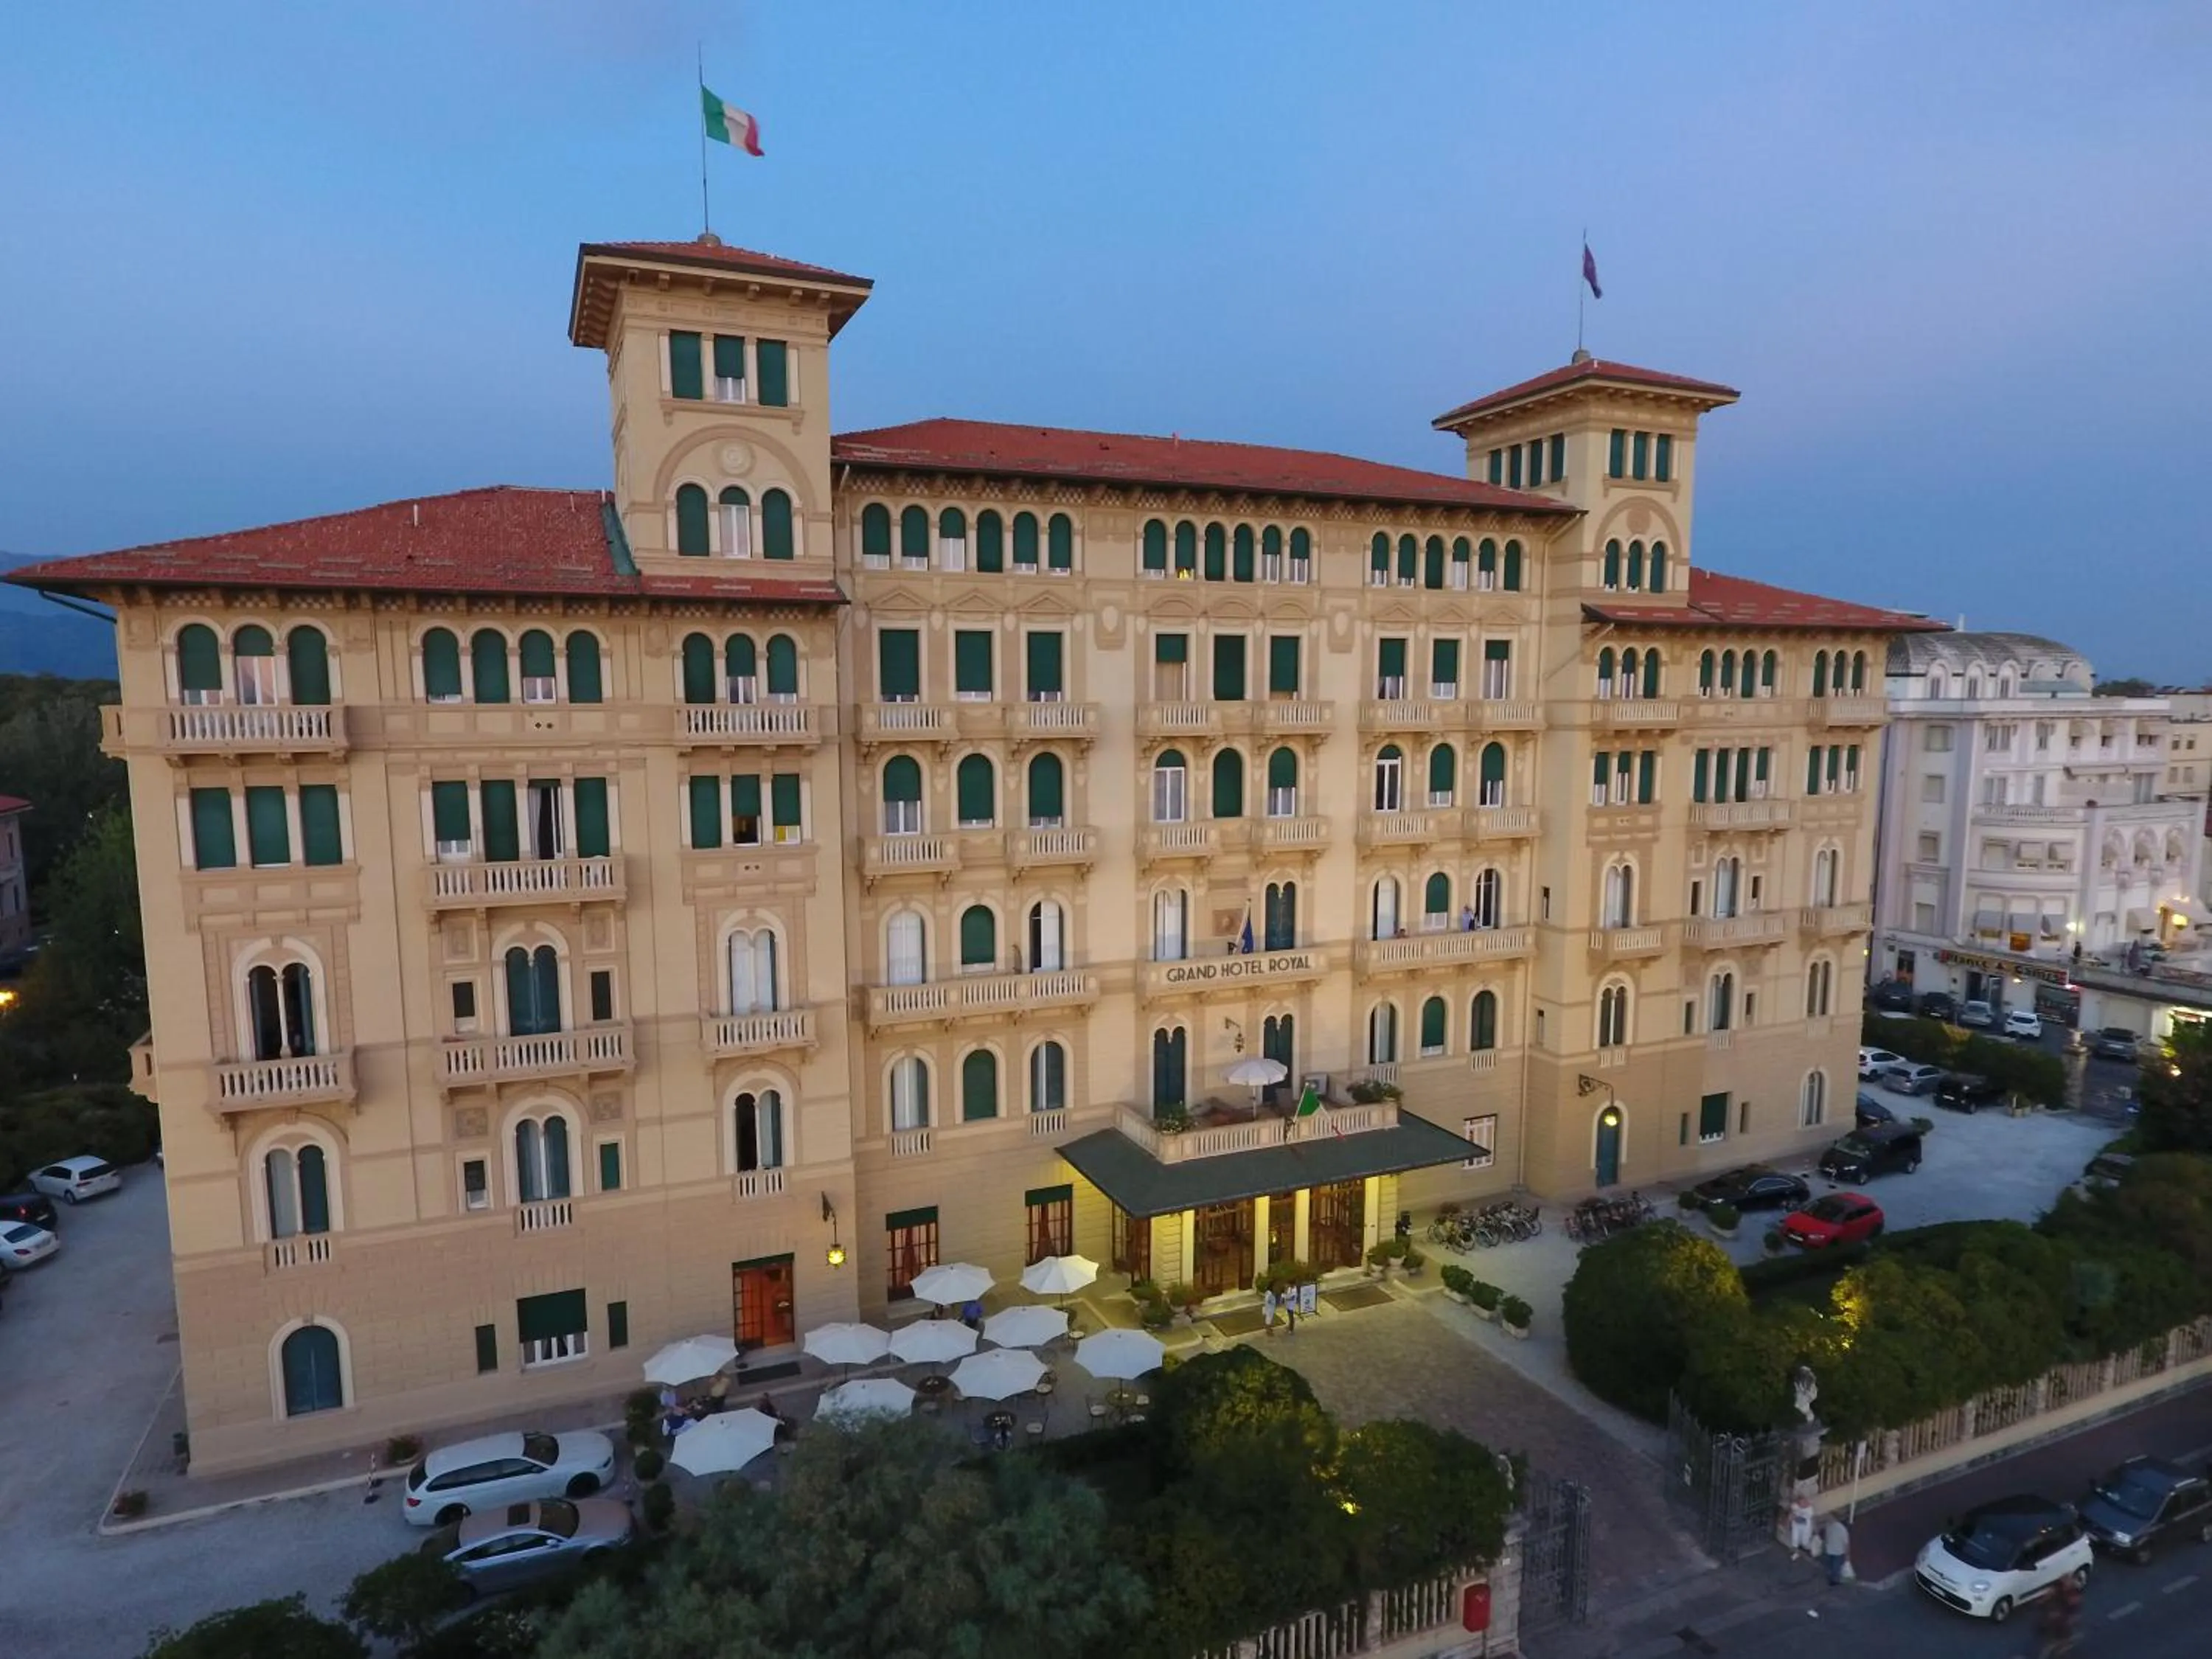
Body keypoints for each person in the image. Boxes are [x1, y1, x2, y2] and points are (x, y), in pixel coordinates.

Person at [1820, 1514, 1851, 1587]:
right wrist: (1847, 1556)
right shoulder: (1842, 1530)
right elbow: (1846, 1544)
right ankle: (1834, 1580)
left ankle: (1831, 1577)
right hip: (1837, 1551)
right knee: (1835, 1567)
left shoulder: (1830, 1526)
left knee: (1832, 1565)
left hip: (1832, 1550)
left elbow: (1827, 1536)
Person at [1786, 1489, 1815, 1559]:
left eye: (1802, 1502)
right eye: (1799, 1502)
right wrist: (1790, 1517)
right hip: (1796, 1526)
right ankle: (1796, 1553)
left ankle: (1811, 1549)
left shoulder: (1809, 1509)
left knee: (1805, 1541)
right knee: (1795, 1540)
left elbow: (1805, 1519)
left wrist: (1795, 1517)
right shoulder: (1795, 1506)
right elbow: (1791, 1513)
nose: (1801, 1504)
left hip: (1805, 1526)